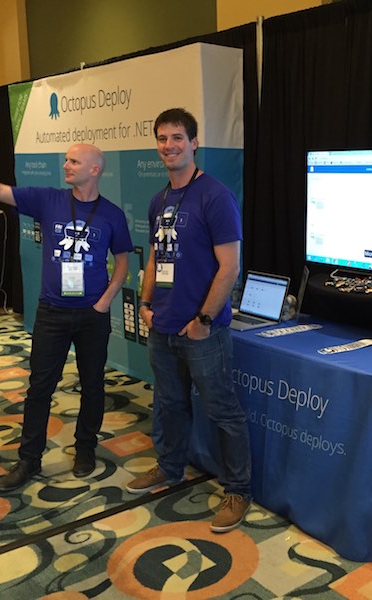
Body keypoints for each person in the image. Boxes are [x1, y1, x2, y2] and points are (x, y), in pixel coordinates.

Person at [0, 137, 133, 492]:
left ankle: (85, 448)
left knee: (93, 385)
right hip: (52, 313)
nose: (66, 166)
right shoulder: (49, 200)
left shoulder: (112, 215)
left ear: (94, 169)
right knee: (39, 387)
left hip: (92, 315)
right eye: (66, 161)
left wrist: (105, 300)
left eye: (74, 162)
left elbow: (123, 260)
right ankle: (29, 459)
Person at [124, 108, 251, 533]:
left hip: (202, 331)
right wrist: (144, 304)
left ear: (194, 143)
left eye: (177, 137)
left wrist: (203, 319)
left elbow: (229, 267)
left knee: (222, 410)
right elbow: (156, 257)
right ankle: (170, 467)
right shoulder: (159, 199)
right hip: (162, 324)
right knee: (169, 403)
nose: (169, 146)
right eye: (162, 138)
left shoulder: (214, 195)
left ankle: (238, 490)